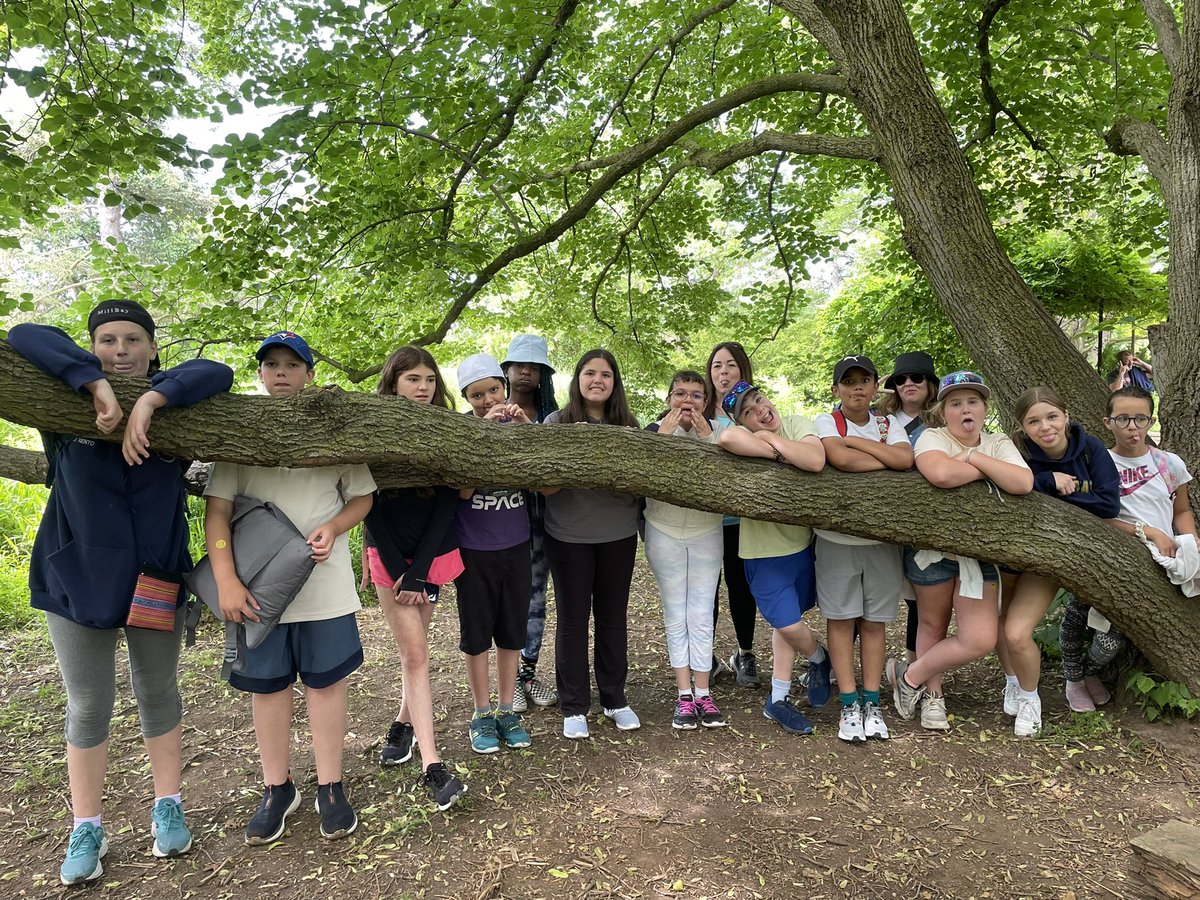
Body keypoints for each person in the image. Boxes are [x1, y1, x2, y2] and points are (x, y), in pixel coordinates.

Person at [8, 303, 232, 885]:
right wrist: (95, 386)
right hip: (75, 579)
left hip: (155, 577)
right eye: (107, 340)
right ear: (92, 348)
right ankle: (87, 826)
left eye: (134, 339)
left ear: (154, 349)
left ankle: (168, 806)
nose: (121, 348)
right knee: (88, 704)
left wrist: (151, 402)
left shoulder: (179, 404)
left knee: (158, 692)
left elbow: (218, 372)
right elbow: (24, 334)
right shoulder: (62, 404)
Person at [205, 332, 375, 843]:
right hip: (256, 592)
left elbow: (363, 498)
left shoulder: (333, 431)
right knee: (268, 691)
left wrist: (336, 527)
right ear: (259, 373)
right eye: (271, 364)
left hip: (325, 587)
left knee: (326, 686)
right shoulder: (241, 434)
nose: (281, 372)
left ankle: (330, 785)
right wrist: (226, 580)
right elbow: (217, 511)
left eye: (292, 365)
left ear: (309, 375)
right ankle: (277, 787)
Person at [887, 371, 1033, 729]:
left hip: (979, 558)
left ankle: (909, 677)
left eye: (972, 402)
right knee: (932, 624)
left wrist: (974, 460)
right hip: (931, 553)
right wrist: (989, 472)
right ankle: (933, 697)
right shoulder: (931, 437)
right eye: (955, 403)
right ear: (943, 411)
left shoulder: (997, 443)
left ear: (984, 409)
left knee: (980, 639)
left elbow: (1023, 482)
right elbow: (939, 474)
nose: (964, 409)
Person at [365, 345, 468, 810]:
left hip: (431, 555)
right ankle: (432, 764)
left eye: (429, 379)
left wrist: (421, 571)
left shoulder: (443, 428)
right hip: (389, 556)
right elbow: (368, 503)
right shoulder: (373, 430)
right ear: (393, 383)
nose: (423, 387)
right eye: (413, 379)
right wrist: (401, 572)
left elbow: (447, 502)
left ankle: (404, 725)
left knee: (416, 653)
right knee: (416, 653)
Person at [997, 387, 1119, 734]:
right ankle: (1014, 683)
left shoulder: (1090, 448)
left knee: (1017, 632)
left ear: (1066, 416)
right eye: (1033, 421)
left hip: (1047, 557)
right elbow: (1004, 491)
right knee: (998, 623)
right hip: (1005, 551)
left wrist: (1049, 498)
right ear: (1022, 426)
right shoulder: (1016, 449)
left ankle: (1031, 700)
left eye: (1052, 416)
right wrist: (1047, 481)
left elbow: (1108, 503)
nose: (1045, 427)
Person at [1071, 386, 1199, 708]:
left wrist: (1191, 540)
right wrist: (1147, 531)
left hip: (1162, 562)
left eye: (1140, 418)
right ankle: (1075, 677)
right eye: (1123, 418)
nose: (1132, 427)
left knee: (1114, 638)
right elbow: (1090, 517)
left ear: (1151, 421)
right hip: (1110, 557)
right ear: (1107, 422)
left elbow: (1181, 511)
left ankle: (1087, 672)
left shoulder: (1168, 464)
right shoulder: (1098, 464)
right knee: (1080, 619)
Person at [718, 381, 831, 735]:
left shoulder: (796, 423)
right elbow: (726, 440)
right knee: (786, 624)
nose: (760, 411)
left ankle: (777, 698)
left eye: (759, 399)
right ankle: (818, 657)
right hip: (760, 551)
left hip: (801, 545)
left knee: (791, 619)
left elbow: (814, 460)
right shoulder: (739, 436)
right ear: (741, 421)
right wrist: (781, 454)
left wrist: (771, 442)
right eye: (748, 412)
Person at [541, 349, 642, 739]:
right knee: (572, 618)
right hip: (567, 537)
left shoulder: (628, 425)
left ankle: (615, 699)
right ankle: (574, 706)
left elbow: (639, 483)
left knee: (613, 617)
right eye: (589, 373)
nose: (597, 379)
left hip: (618, 534)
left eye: (605, 374)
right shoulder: (556, 423)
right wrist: (575, 456)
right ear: (577, 379)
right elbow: (545, 486)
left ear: (614, 382)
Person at [813, 356, 912, 742]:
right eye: (848, 381)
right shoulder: (827, 422)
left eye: (864, 381)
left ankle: (873, 702)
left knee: (874, 622)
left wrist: (857, 444)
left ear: (875, 388)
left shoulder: (890, 423)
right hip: (836, 539)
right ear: (837, 388)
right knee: (840, 620)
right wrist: (876, 457)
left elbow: (905, 460)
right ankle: (849, 704)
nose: (857, 388)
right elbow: (836, 458)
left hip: (883, 542)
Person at [453, 353, 534, 753]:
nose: (488, 399)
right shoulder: (464, 430)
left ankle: (507, 709)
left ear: (504, 387)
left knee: (511, 632)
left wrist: (524, 429)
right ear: (467, 398)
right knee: (476, 635)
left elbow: (542, 473)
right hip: (474, 551)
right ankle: (481, 711)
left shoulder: (519, 424)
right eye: (477, 394)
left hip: (517, 546)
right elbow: (464, 490)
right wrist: (481, 436)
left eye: (493, 390)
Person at [644, 370, 727, 729]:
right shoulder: (653, 431)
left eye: (696, 395)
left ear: (706, 402)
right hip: (662, 531)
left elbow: (724, 476)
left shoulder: (722, 433)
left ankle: (704, 692)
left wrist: (708, 436)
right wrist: (664, 434)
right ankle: (683, 694)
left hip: (707, 531)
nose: (688, 402)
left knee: (701, 611)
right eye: (680, 394)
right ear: (669, 399)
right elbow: (645, 472)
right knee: (675, 611)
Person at [500, 334, 560, 712]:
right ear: (506, 370)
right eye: (519, 365)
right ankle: (506, 681)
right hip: (500, 522)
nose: (526, 372)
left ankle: (527, 673)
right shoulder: (491, 410)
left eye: (534, 367)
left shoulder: (553, 418)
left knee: (537, 596)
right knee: (506, 598)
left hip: (545, 522)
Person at [703, 342, 761, 686]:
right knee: (707, 588)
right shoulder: (698, 407)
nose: (722, 373)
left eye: (730, 366)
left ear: (743, 371)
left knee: (742, 588)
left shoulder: (754, 410)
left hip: (742, 519)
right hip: (707, 519)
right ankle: (704, 656)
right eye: (716, 366)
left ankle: (745, 653)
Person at [878, 351, 938, 669]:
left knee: (919, 598)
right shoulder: (879, 418)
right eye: (901, 379)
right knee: (870, 596)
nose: (909, 384)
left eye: (917, 378)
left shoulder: (940, 423)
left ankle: (914, 664)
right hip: (882, 516)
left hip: (923, 521)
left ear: (930, 384)